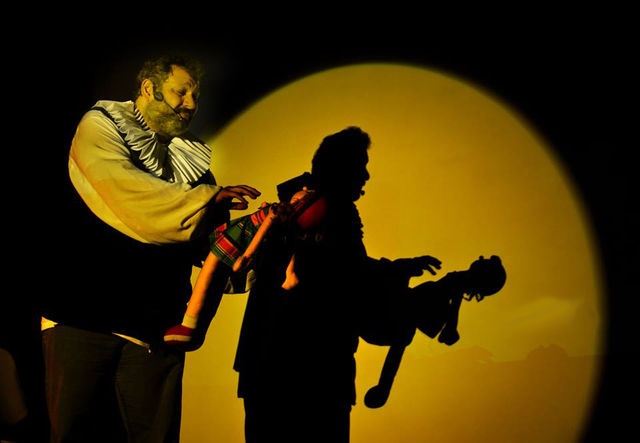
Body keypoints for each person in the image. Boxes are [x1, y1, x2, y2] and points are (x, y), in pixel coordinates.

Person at [39, 55, 260, 442]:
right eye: (180, 92)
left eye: (195, 96)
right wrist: (206, 200)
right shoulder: (102, 126)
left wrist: (256, 235)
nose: (190, 104)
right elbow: (122, 189)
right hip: (82, 319)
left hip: (154, 332)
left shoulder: (194, 168)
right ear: (148, 88)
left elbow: (207, 249)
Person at [232, 127, 443, 443]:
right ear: (342, 170)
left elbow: (343, 272)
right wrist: (400, 278)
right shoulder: (332, 213)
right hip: (314, 373)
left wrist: (397, 272)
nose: (366, 176)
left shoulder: (292, 209)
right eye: (361, 166)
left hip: (267, 365)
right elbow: (345, 276)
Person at [163, 186, 328, 350]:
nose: (304, 189)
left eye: (306, 194)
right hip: (239, 241)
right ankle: (197, 331)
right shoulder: (286, 226)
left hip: (237, 240)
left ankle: (190, 325)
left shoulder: (278, 215)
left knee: (210, 270)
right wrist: (289, 273)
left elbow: (263, 230)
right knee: (215, 282)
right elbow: (289, 247)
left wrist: (246, 256)